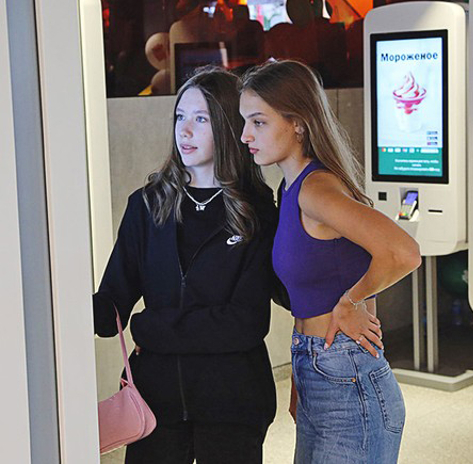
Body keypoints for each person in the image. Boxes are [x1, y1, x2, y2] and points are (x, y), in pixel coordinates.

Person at [239, 60, 422, 464]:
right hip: (318, 366)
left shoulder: (316, 190)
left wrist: (352, 302)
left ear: (298, 123)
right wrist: (299, 380)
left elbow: (403, 252)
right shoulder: (291, 187)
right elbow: (342, 266)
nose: (245, 135)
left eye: (258, 122)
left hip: (346, 376)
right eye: (244, 122)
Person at [93, 66, 277, 464]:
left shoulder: (256, 211)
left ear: (227, 125)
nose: (185, 131)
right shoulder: (146, 206)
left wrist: (148, 327)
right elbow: (112, 306)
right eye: (180, 117)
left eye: (200, 119)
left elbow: (244, 324)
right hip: (156, 404)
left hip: (233, 403)